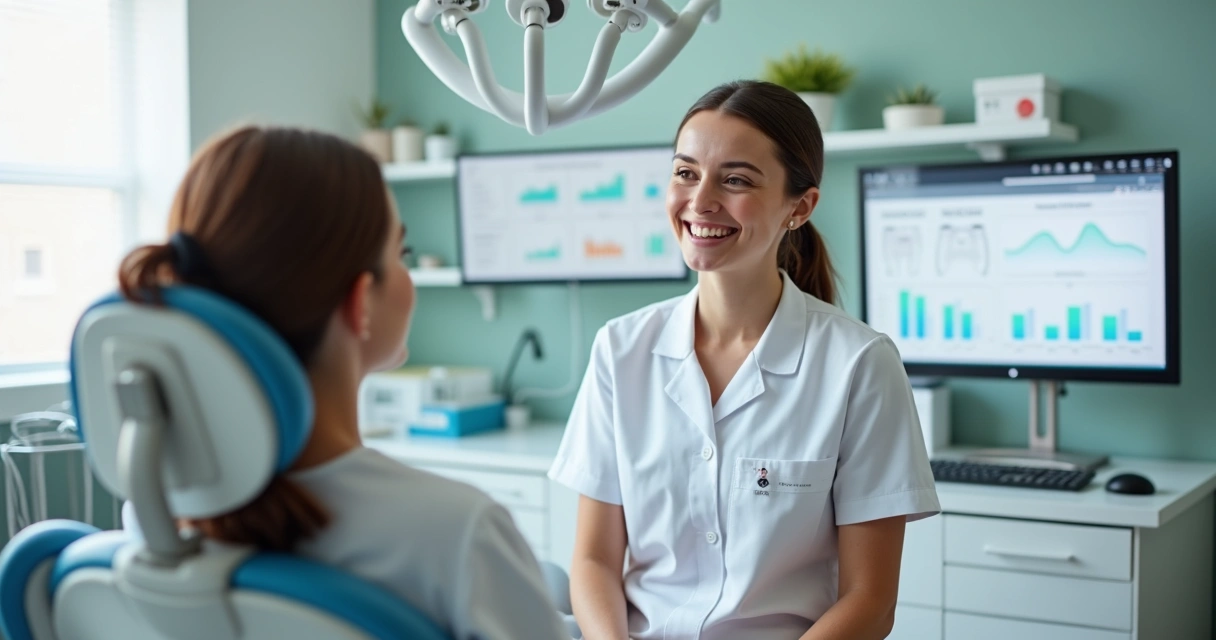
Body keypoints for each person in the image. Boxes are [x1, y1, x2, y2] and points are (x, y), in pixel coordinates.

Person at [117, 126, 568, 640]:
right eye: (401, 254)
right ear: (360, 302)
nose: (409, 275)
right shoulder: (456, 534)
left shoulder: (155, 521)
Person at [548, 80, 941, 640]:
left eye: (735, 180)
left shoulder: (859, 365)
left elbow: (870, 602)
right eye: (686, 172)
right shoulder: (621, 349)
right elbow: (593, 561)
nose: (701, 200)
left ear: (799, 207)